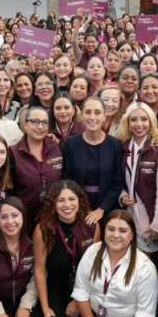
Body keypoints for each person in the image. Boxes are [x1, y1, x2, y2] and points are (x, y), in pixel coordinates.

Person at [33, 180, 100, 317]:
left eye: (72, 199)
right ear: (53, 204)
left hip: (83, 284)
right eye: (61, 200)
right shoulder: (43, 229)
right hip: (56, 283)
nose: (67, 205)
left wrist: (78, 300)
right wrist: (45, 308)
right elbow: (39, 270)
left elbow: (95, 267)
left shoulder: (92, 226)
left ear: (79, 201)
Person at [115, 101, 158, 255]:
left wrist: (157, 224)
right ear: (127, 123)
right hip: (129, 215)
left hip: (151, 218)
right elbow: (119, 181)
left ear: (151, 122)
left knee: (149, 261)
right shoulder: (122, 148)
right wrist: (122, 196)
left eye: (144, 119)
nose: (138, 124)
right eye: (133, 120)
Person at [61, 97, 124, 227]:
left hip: (108, 208)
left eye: (97, 112)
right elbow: (67, 179)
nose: (92, 116)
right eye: (88, 112)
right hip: (77, 209)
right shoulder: (71, 144)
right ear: (82, 115)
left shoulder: (116, 145)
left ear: (104, 116)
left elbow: (117, 183)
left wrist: (101, 209)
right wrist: (80, 207)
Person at [9, 104, 64, 216]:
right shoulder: (13, 153)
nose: (40, 126)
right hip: (25, 216)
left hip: (55, 215)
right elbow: (8, 190)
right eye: (34, 121)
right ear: (25, 124)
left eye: (44, 122)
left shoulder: (57, 147)